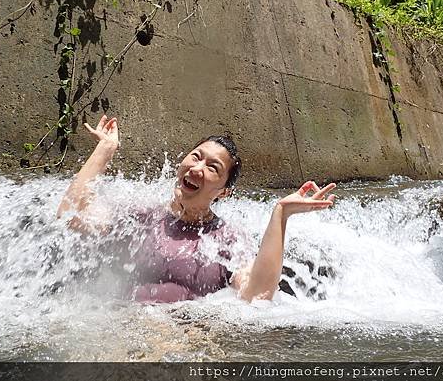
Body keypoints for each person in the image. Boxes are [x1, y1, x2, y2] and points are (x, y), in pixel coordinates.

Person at [57, 115, 336, 303]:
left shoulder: (228, 240)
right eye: (196, 157)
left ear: (224, 192)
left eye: (212, 167)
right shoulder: (142, 216)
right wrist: (105, 149)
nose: (197, 168)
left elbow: (257, 294)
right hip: (124, 329)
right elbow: (71, 216)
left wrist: (281, 214)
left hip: (189, 343)